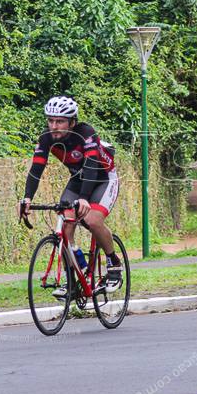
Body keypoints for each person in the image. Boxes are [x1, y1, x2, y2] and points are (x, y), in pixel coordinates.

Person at [19, 96, 121, 297]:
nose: (54, 126)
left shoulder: (86, 133)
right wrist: (27, 198)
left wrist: (84, 198)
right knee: (66, 227)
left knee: (92, 220)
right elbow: (36, 169)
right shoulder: (46, 138)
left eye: (60, 121)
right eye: (50, 120)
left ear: (72, 122)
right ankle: (75, 277)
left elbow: (92, 166)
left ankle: (114, 264)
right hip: (77, 179)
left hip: (103, 178)